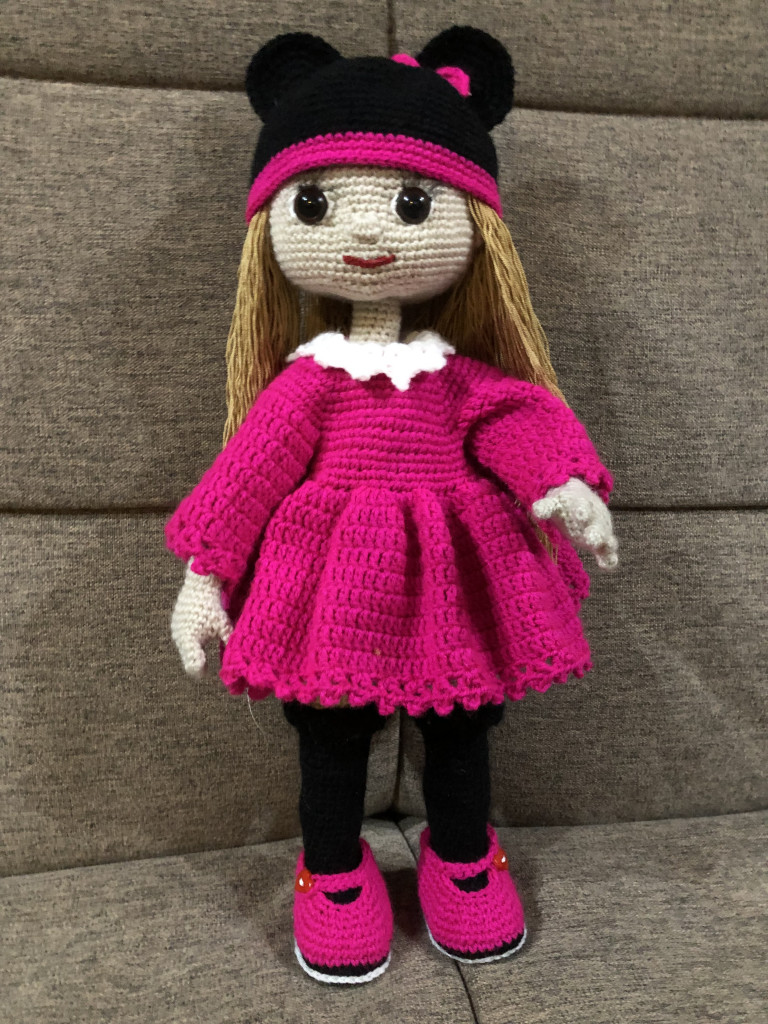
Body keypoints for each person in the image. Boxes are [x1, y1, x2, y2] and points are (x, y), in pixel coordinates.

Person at [165, 26, 618, 985]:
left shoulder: (458, 378)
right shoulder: (308, 383)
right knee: (329, 734)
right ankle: (332, 871)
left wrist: (562, 484)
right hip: (329, 585)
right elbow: (248, 473)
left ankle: (462, 857)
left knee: (463, 727)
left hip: (454, 577)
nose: (368, 235)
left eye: (412, 205)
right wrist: (205, 577)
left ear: (471, 226)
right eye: (319, 205)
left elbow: (511, 419)